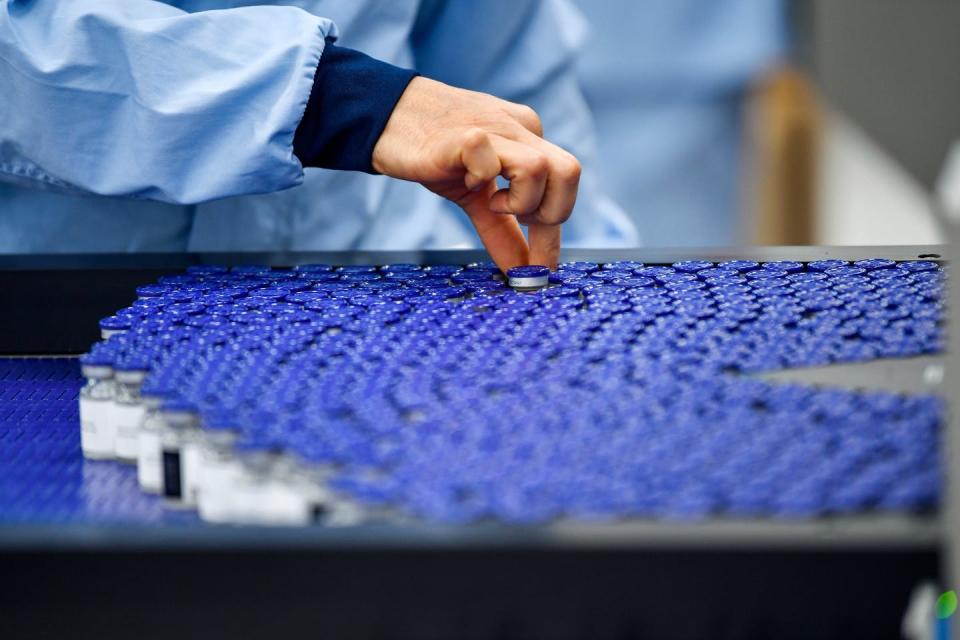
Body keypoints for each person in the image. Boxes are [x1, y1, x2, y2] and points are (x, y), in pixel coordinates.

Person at [0, 0, 637, 270]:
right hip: (59, 324)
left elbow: (508, 75)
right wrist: (346, 102)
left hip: (386, 311)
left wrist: (587, 298)